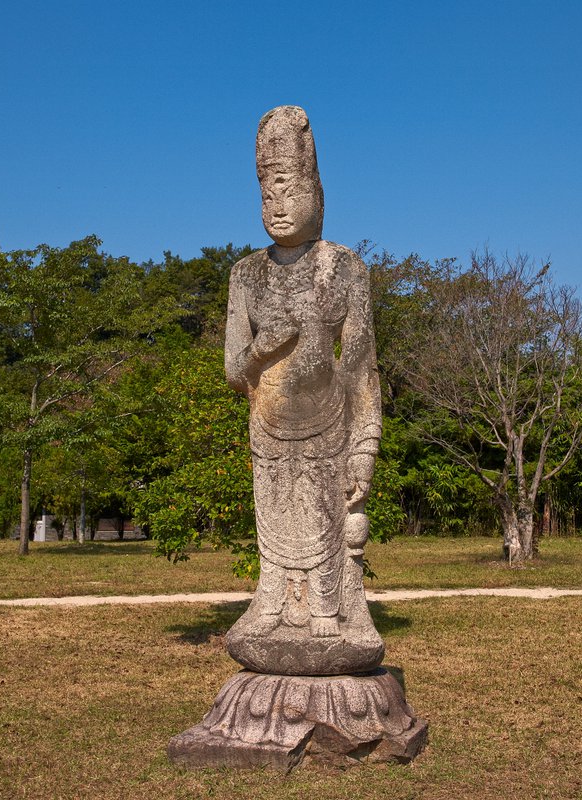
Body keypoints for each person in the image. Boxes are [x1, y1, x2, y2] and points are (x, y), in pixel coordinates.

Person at [224, 106, 382, 672]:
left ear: (315, 188)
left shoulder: (342, 267)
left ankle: (328, 608)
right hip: (267, 428)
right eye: (266, 189)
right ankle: (271, 601)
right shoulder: (246, 274)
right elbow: (234, 370)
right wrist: (265, 347)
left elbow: (361, 369)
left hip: (328, 426)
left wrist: (365, 446)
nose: (276, 203)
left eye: (287, 187)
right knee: (275, 528)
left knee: (325, 524)